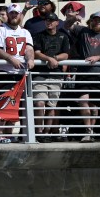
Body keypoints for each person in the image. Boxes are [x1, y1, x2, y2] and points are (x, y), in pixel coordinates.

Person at [0, 3, 35, 143]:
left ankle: (9, 134)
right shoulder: (0, 30)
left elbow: (28, 49)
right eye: (12, 13)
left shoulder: (25, 32)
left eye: (16, 13)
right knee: (3, 102)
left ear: (20, 14)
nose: (14, 16)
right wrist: (11, 59)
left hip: (19, 73)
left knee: (15, 105)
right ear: (8, 14)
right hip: (3, 72)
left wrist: (31, 59)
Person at [71, 11, 100, 142]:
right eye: (94, 19)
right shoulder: (83, 31)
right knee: (82, 101)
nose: (96, 22)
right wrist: (73, 17)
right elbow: (66, 25)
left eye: (99, 20)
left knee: (94, 106)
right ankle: (87, 130)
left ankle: (90, 132)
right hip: (83, 74)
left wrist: (98, 57)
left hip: (99, 75)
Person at [31, 13, 71, 142]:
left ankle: (46, 133)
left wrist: (55, 59)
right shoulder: (38, 36)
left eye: (52, 20)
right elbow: (36, 53)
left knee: (51, 106)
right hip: (39, 75)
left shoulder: (63, 36)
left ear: (57, 23)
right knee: (39, 103)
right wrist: (49, 59)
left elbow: (66, 54)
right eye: (47, 20)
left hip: (56, 75)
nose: (49, 22)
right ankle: (39, 132)